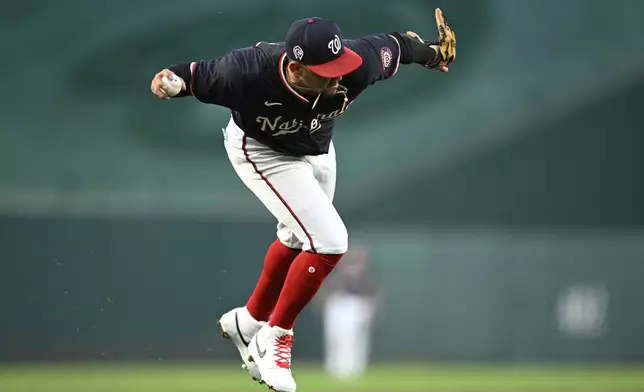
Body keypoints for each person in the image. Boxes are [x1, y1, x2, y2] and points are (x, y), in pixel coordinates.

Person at [149, 9, 456, 392]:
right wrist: (170, 81)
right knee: (330, 241)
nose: (338, 74)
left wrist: (433, 55)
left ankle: (250, 321)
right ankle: (274, 337)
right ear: (295, 69)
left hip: (316, 148)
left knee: (299, 241)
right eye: (325, 70)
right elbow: (190, 76)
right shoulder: (245, 72)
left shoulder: (359, 63)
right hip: (262, 151)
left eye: (338, 62)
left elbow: (400, 45)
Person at [316, 244, 380, 381]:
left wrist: (371, 310)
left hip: (357, 308)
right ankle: (335, 368)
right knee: (336, 339)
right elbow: (324, 293)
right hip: (338, 307)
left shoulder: (366, 278)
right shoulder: (335, 275)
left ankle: (355, 368)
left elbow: (373, 296)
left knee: (356, 340)